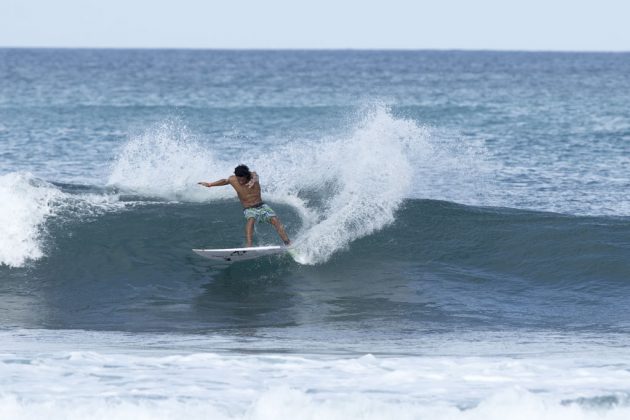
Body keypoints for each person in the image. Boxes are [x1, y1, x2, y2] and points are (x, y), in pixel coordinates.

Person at [198, 165, 291, 247]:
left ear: (246, 176)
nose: (240, 181)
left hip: (261, 205)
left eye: (242, 179)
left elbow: (255, 175)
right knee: (251, 219)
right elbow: (224, 181)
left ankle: (287, 243)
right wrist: (210, 184)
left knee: (275, 220)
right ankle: (249, 246)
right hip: (249, 208)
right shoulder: (233, 179)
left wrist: (253, 181)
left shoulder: (253, 176)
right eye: (238, 179)